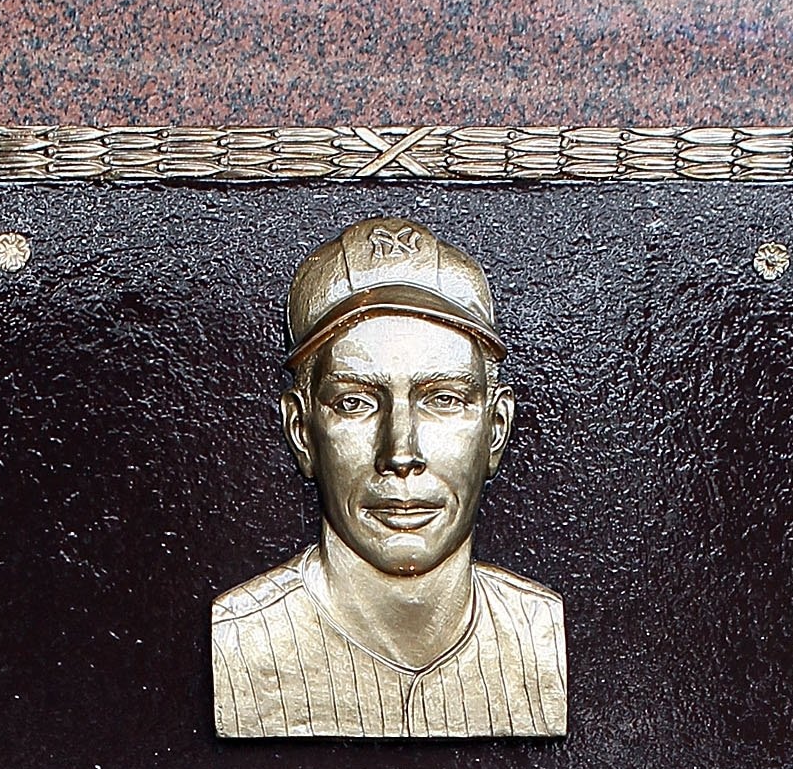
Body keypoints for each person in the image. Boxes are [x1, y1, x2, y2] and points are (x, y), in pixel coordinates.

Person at [212, 219, 566, 740]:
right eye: (354, 403)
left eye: (443, 400)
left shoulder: (538, 635)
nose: (401, 452)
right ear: (302, 432)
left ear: (495, 430)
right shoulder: (242, 640)